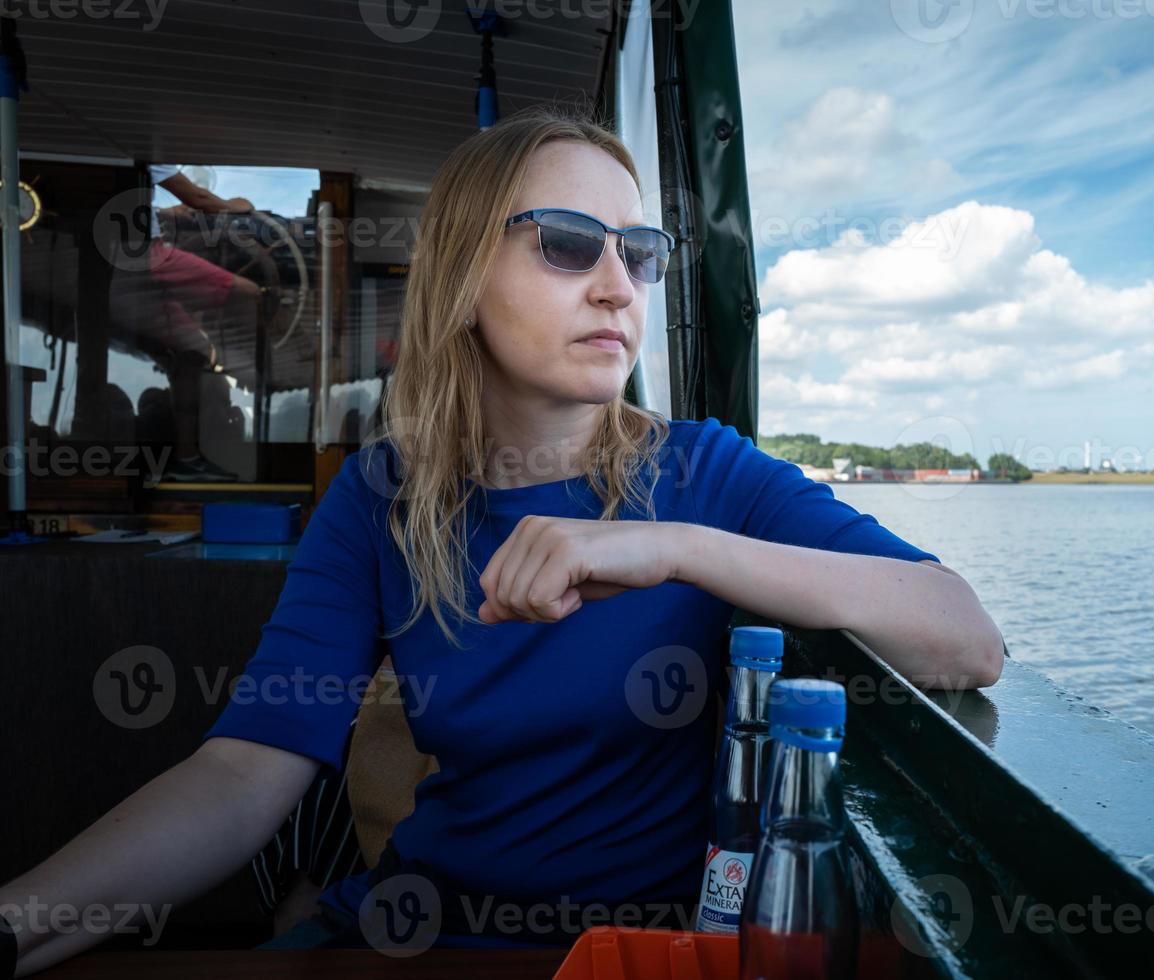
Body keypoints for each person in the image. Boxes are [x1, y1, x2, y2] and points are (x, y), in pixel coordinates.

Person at [0, 106, 1005, 972]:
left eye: (638, 253)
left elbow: (964, 635)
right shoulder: (381, 494)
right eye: (569, 242)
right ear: (464, 276)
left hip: (627, 956)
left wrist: (675, 547)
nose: (618, 285)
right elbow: (246, 771)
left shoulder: (706, 474)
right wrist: (16, 923)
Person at [111, 165, 263, 482]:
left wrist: (169, 213)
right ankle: (248, 367)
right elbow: (198, 197)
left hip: (125, 265)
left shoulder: (127, 161)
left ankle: (186, 458)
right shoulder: (150, 145)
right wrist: (237, 205)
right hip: (147, 257)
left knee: (191, 353)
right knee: (250, 292)